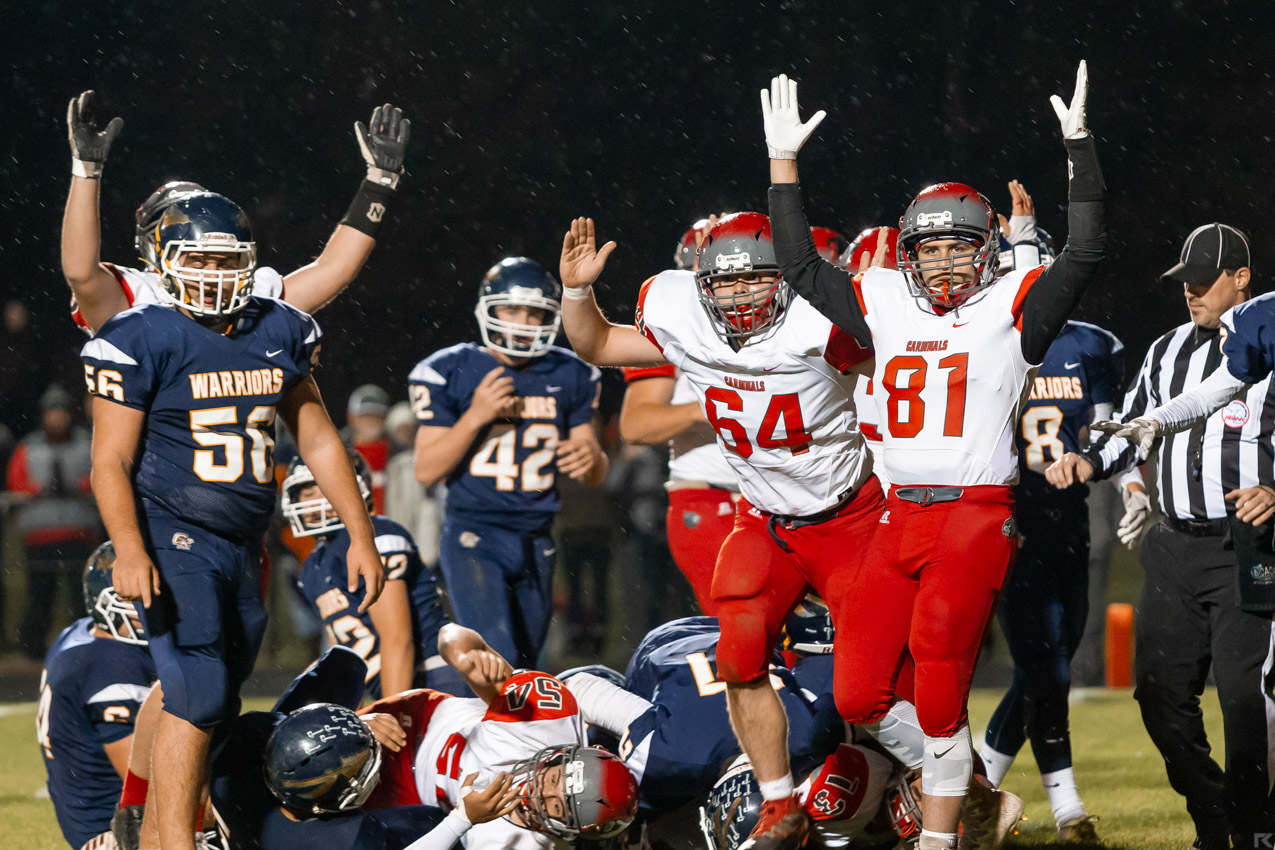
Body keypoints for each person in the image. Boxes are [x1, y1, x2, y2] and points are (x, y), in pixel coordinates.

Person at [761, 63, 1102, 850]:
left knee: (943, 685)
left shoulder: (1014, 304)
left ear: (987, 251)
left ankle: (939, 840)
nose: (945, 262)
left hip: (973, 516)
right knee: (860, 690)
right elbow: (802, 269)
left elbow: (1084, 251)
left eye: (959, 247)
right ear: (907, 253)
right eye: (930, 247)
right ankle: (974, 793)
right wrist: (784, 170)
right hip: (895, 514)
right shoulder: (882, 299)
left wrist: (1079, 150)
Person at [557, 210, 882, 849]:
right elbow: (596, 344)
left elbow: (908, 385)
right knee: (738, 653)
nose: (736, 296)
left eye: (753, 281)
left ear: (783, 279)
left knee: (870, 683)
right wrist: (577, 292)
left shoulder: (821, 323)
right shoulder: (685, 318)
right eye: (723, 284)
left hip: (847, 517)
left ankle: (953, 785)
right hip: (761, 515)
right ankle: (779, 803)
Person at [81, 190, 385, 850]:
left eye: (228, 263)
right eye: (201, 261)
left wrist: (360, 533)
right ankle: (173, 841)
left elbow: (319, 437)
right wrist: (129, 547)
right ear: (164, 263)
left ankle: (150, 832)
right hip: (171, 531)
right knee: (199, 687)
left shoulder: (275, 328)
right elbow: (109, 460)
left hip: (242, 542)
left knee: (215, 698)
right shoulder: (142, 334)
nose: (216, 277)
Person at [1048, 222, 1275, 850]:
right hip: (1173, 545)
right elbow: (1134, 430)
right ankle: (1215, 811)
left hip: (1247, 546)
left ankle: (1255, 825)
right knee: (1157, 692)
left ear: (1242, 278)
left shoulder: (1265, 339)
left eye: (1205, 282)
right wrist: (1091, 461)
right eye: (1187, 283)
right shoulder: (1165, 351)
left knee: (1241, 693)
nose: (1192, 293)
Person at [973, 186, 1127, 842]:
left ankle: (976, 785)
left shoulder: (1093, 346)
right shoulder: (988, 341)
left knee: (1049, 664)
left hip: (1068, 519)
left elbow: (1109, 431)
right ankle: (1067, 810)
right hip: (1012, 522)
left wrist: (1104, 467)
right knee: (1048, 670)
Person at [61, 91, 409, 335]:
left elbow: (334, 270)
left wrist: (379, 183)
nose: (212, 271)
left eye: (222, 259)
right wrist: (86, 170)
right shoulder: (137, 297)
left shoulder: (252, 295)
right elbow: (80, 272)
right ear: (156, 243)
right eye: (198, 259)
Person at [409, 257, 607, 669]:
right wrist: (476, 415)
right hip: (475, 533)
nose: (523, 322)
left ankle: (512, 731)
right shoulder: (451, 370)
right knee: (494, 657)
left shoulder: (570, 372)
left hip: (537, 537)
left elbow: (594, 473)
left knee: (526, 663)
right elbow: (426, 469)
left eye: (535, 313)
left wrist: (591, 458)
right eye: (512, 309)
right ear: (488, 308)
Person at [358, 623, 639, 847]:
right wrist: (465, 657)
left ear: (570, 829)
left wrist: (463, 820)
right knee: (333, 749)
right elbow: (451, 634)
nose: (540, 791)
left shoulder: (523, 844)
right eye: (554, 779)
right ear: (562, 757)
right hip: (415, 727)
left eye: (556, 805)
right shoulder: (542, 722)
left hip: (414, 805)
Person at [283, 452, 466, 698]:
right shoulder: (314, 565)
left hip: (433, 679)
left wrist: (393, 711)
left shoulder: (375, 535)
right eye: (307, 493)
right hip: (392, 686)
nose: (317, 501)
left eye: (325, 488)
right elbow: (340, 656)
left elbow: (397, 639)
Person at [38, 542, 157, 850]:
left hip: (87, 820)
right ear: (107, 600)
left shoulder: (79, 633)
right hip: (117, 832)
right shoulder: (114, 665)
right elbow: (143, 786)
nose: (150, 603)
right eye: (136, 596)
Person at [7, 383, 101, 659]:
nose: (56, 418)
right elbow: (17, 484)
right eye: (52, 412)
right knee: (40, 597)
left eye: (61, 411)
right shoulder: (29, 447)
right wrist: (38, 490)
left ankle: (86, 646)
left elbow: (100, 476)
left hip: (78, 532)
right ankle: (32, 651)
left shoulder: (86, 442)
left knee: (80, 597)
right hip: (41, 534)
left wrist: (80, 488)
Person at [345, 384, 393, 514]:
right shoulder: (338, 454)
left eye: (376, 415)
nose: (371, 421)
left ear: (385, 419)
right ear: (351, 417)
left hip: (393, 529)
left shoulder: (401, 456)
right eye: (365, 415)